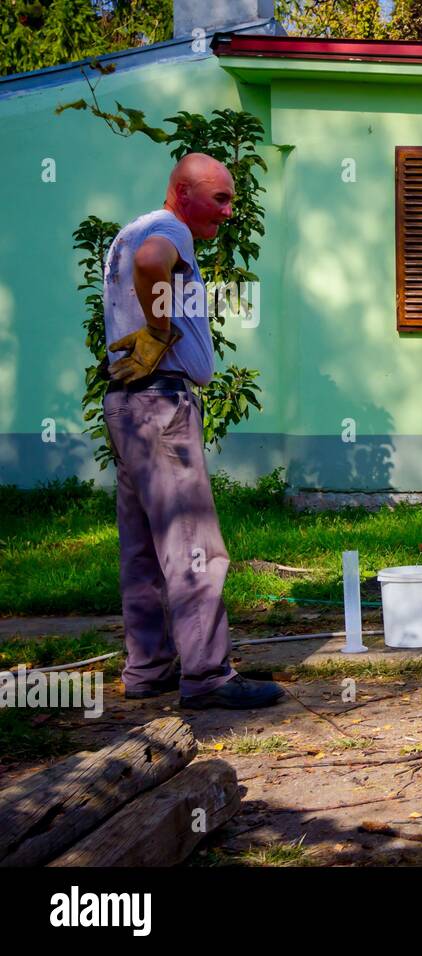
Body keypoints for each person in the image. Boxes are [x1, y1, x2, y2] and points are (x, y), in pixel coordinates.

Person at [102, 152, 283, 709]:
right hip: (161, 404)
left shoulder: (129, 232)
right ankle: (206, 677)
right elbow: (154, 262)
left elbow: (145, 265)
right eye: (220, 198)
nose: (228, 211)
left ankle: (147, 669)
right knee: (191, 543)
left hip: (127, 405)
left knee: (141, 547)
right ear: (182, 193)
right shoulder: (166, 231)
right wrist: (159, 330)